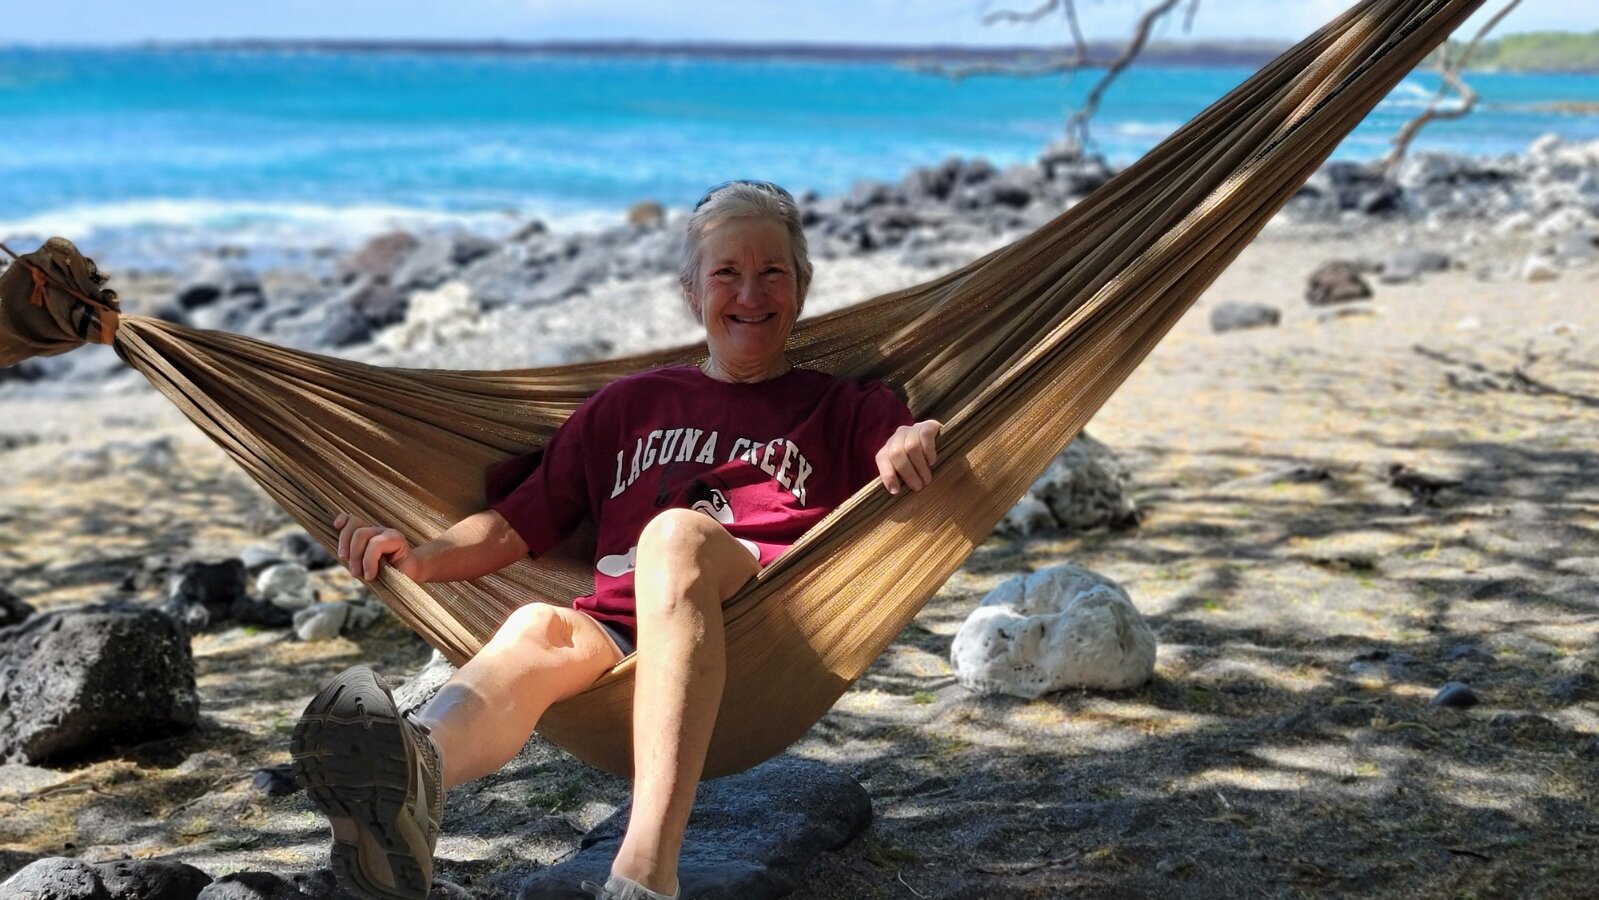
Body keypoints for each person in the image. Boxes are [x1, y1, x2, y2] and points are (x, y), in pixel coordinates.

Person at [290, 181, 943, 900]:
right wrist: (418, 558)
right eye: (726, 272)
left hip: (760, 619)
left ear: (802, 286)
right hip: (624, 638)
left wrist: (911, 438)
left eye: (773, 272)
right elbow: (515, 523)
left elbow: (908, 446)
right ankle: (413, 776)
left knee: (675, 536)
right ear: (691, 293)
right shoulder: (629, 405)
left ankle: (643, 874)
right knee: (538, 627)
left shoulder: (845, 406)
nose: (750, 293)